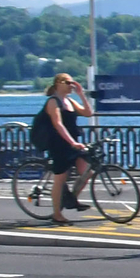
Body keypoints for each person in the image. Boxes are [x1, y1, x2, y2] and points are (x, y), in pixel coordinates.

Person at [32, 73, 92, 226]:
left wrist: (81, 94)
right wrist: (72, 142)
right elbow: (58, 125)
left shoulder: (69, 101)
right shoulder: (53, 102)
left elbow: (88, 113)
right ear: (59, 83)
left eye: (73, 83)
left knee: (87, 172)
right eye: (68, 83)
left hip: (73, 143)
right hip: (58, 144)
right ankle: (57, 214)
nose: (71, 85)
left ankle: (71, 198)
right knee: (60, 179)